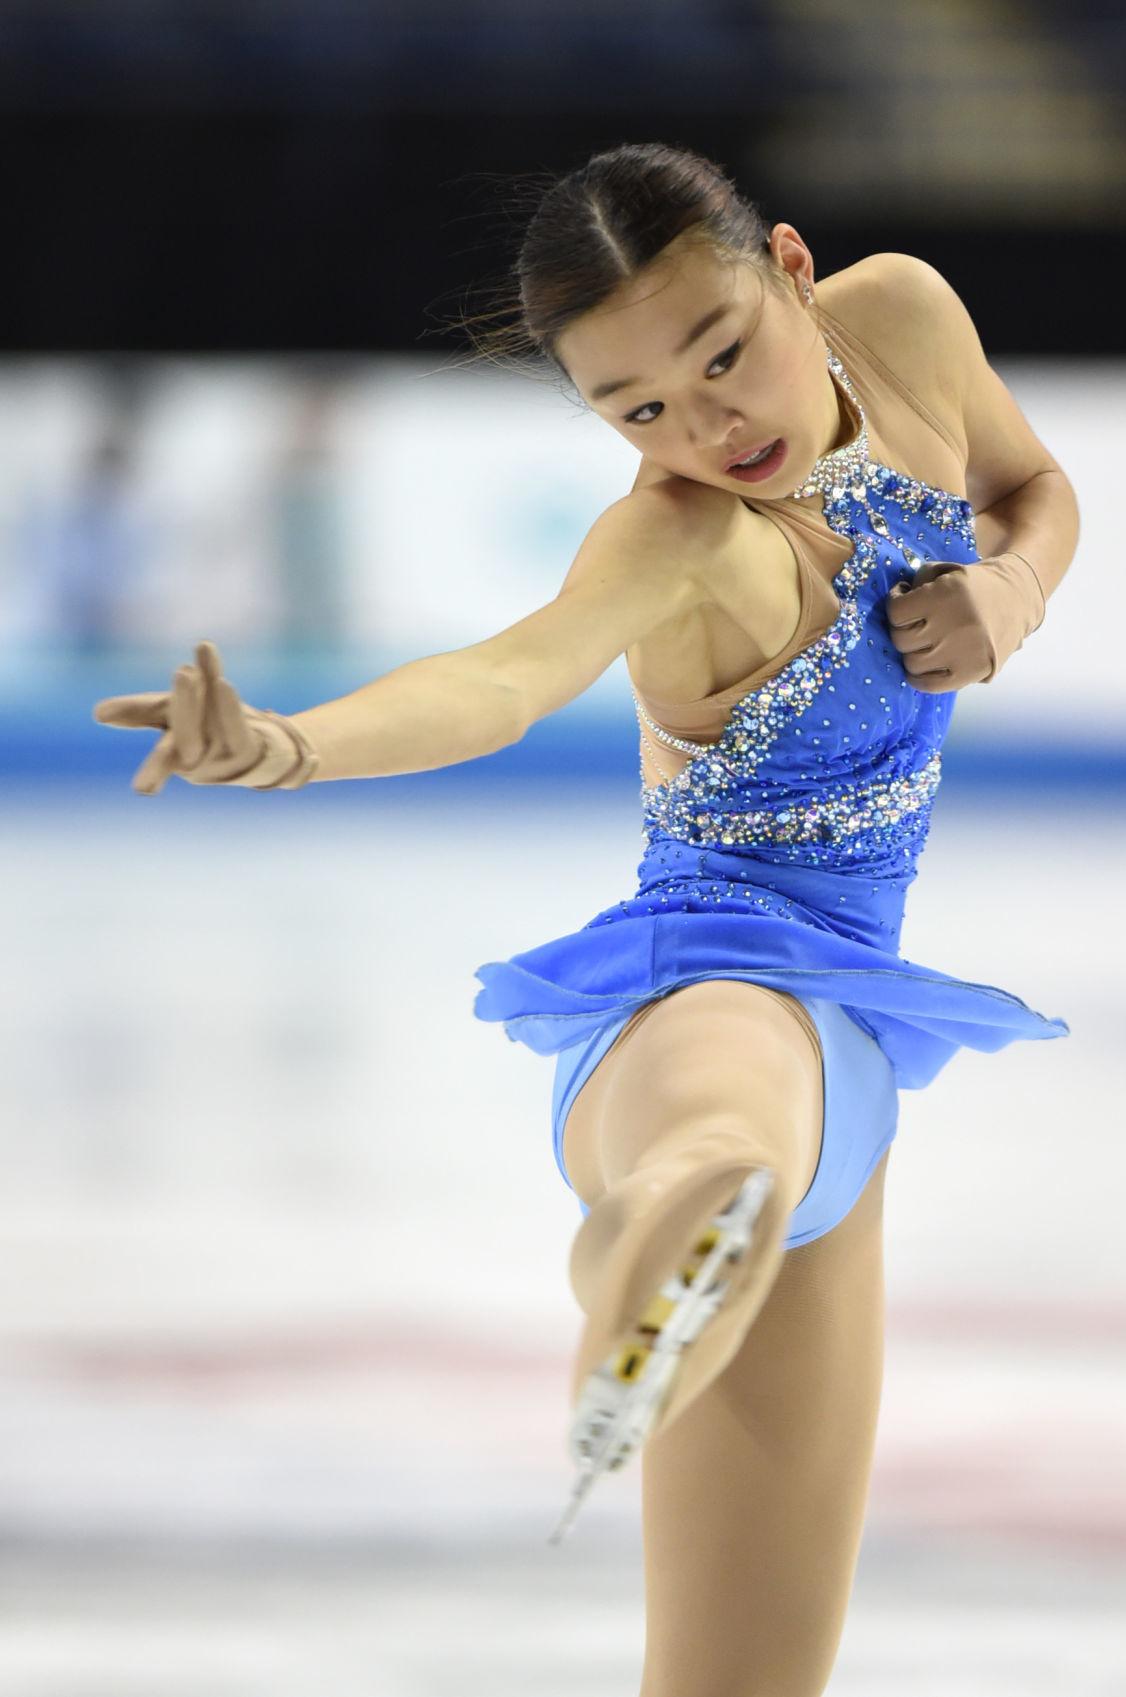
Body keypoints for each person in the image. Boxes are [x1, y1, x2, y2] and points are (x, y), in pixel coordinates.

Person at [94, 142, 1076, 1697]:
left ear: (794, 268)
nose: (708, 430)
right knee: (727, 1142)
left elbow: (1033, 490)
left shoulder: (902, 323)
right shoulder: (680, 538)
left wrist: (1012, 590)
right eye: (640, 411)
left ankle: (683, 1252)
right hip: (708, 988)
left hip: (859, 1030)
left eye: (722, 356)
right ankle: (648, 1243)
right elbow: (506, 678)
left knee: (743, 1679)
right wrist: (287, 745)